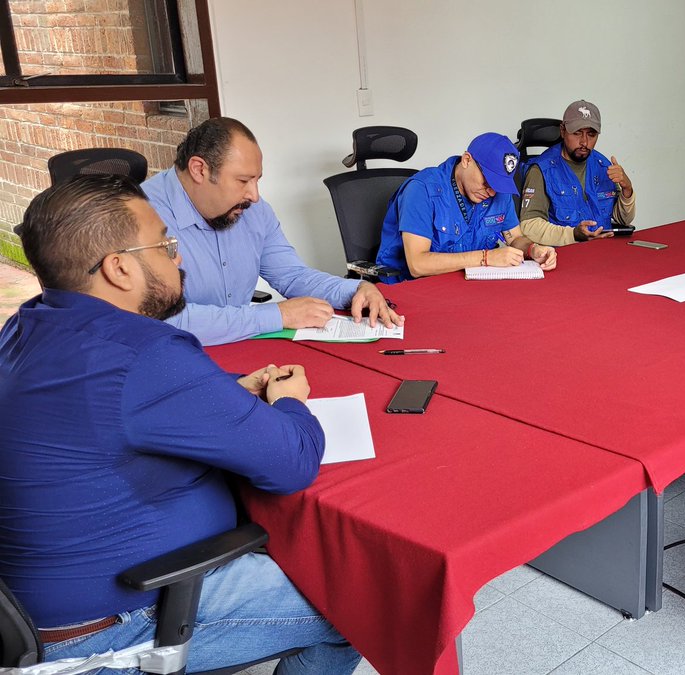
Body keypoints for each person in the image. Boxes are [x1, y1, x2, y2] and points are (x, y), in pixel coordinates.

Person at [0, 175, 362, 673]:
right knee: (362, 604)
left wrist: (225, 392)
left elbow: (112, 409)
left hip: (39, 601)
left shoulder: (28, 323)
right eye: (165, 245)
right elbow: (292, 462)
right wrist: (290, 402)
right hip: (109, 623)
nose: (179, 257)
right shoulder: (143, 352)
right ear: (120, 268)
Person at [143, 116, 401, 346]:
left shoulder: (252, 210)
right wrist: (278, 315)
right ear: (199, 170)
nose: (254, 196)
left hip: (239, 347)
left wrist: (356, 289)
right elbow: (163, 319)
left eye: (257, 180)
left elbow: (292, 275)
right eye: (243, 181)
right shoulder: (141, 217)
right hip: (169, 357)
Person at [375, 132, 558, 280]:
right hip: (411, 288)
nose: (491, 192)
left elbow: (515, 238)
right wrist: (486, 258)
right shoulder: (421, 190)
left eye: (498, 186)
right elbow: (418, 264)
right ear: (466, 160)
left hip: (465, 286)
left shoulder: (498, 193)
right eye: (487, 182)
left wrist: (533, 249)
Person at [518, 99, 636, 245]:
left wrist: (627, 189)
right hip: (563, 253)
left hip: (604, 249)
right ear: (563, 131)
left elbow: (623, 220)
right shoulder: (541, 170)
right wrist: (573, 235)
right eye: (577, 133)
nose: (584, 142)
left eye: (591, 135)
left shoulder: (603, 165)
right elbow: (530, 226)